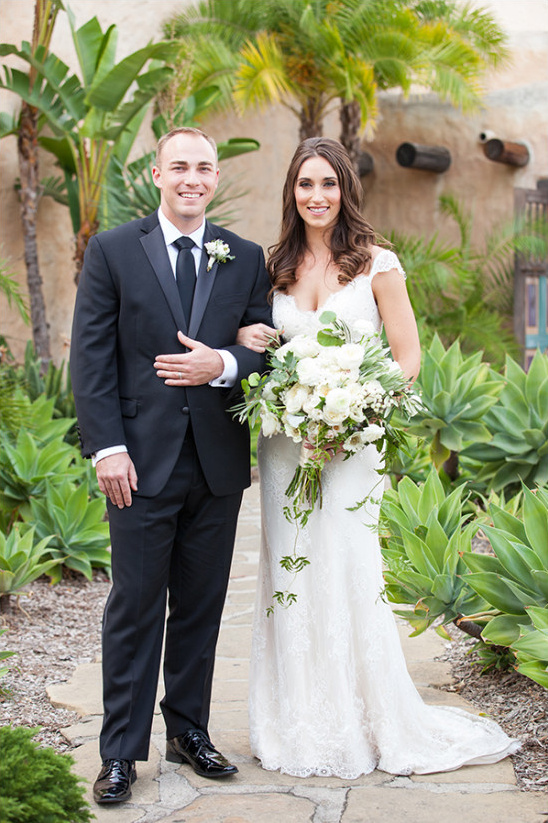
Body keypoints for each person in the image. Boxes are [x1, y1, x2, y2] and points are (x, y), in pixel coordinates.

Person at [237, 137, 519, 779]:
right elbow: (259, 338)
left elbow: (408, 355)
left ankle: (365, 718)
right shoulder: (273, 265)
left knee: (345, 566)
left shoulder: (376, 264)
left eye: (328, 185)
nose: (317, 196)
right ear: (292, 192)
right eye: (305, 184)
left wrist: (359, 411)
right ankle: (295, 719)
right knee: (290, 571)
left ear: (346, 190)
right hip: (286, 445)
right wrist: (246, 339)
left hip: (351, 444)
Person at [70, 127, 272, 804]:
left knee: (201, 606)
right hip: (137, 462)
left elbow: (263, 344)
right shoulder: (113, 250)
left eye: (204, 167)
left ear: (215, 178)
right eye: (179, 166)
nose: (192, 177)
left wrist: (224, 363)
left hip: (216, 463)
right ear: (157, 174)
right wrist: (107, 446)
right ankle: (121, 752)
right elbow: (91, 357)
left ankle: (189, 730)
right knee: (134, 607)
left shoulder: (244, 256)